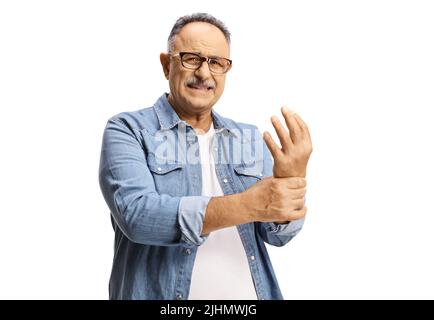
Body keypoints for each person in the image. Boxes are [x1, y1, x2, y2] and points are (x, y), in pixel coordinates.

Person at [98, 13, 312, 300]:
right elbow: (138, 216)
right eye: (191, 58)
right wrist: (249, 204)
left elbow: (277, 236)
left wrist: (291, 183)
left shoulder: (246, 137)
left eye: (216, 62)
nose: (204, 73)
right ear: (166, 64)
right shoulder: (128, 129)